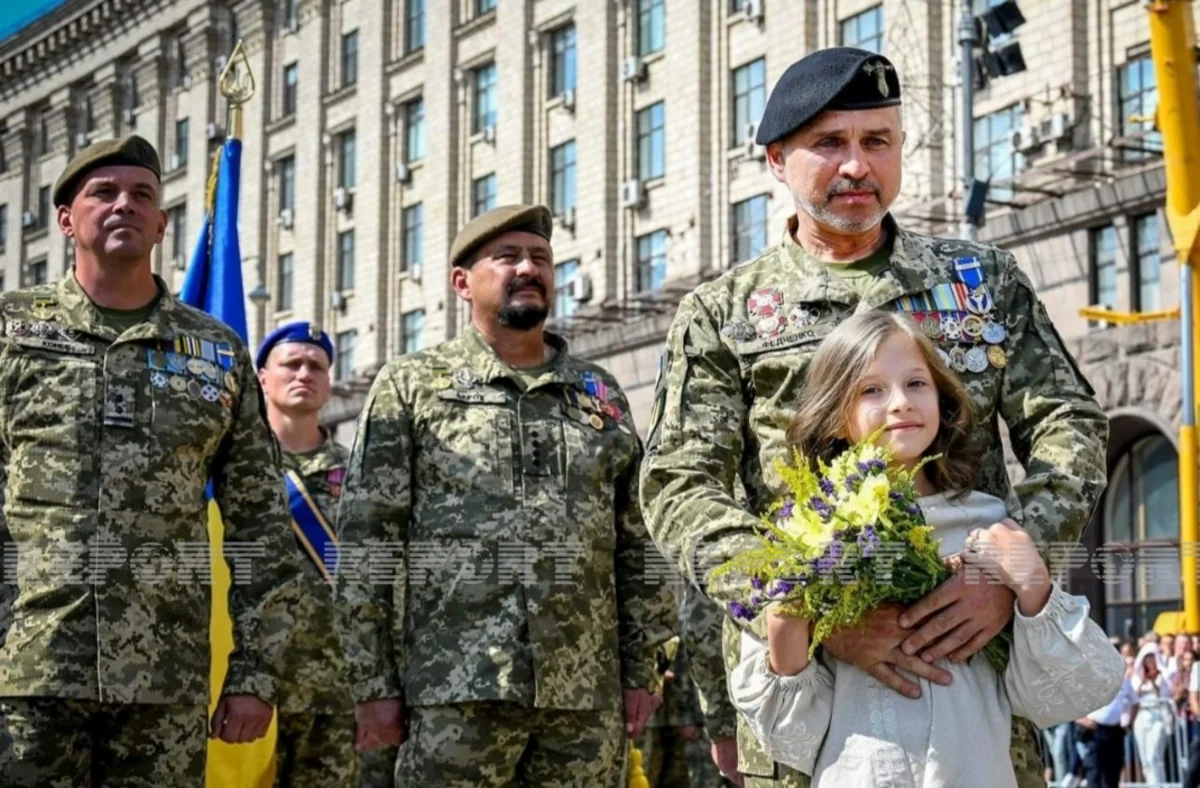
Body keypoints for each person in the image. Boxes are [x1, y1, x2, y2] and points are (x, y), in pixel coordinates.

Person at [639, 47, 1109, 788]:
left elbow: (1069, 424)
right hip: (811, 699)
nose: (857, 166)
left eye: (877, 142)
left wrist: (1014, 566)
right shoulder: (722, 315)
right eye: (830, 144)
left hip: (971, 691)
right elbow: (679, 486)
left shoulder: (982, 284)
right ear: (776, 160)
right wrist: (804, 605)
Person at [333, 204, 677, 787]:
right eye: (508, 257)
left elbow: (637, 539)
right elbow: (368, 541)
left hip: (584, 697)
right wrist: (372, 683)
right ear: (462, 282)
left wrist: (644, 665)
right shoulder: (412, 385)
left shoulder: (599, 392)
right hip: (456, 691)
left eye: (540, 258)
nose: (528, 268)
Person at [0, 135, 300, 786]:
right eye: (102, 192)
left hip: (164, 682)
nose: (123, 206)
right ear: (64, 218)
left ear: (162, 224)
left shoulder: (214, 352)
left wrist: (254, 673)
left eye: (141, 195)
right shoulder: (11, 331)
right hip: (26, 673)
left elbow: (261, 529)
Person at [726, 311, 1122, 786]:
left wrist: (1032, 585)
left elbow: (1079, 691)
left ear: (943, 399)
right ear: (834, 416)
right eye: (871, 389)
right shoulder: (808, 539)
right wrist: (790, 617)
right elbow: (789, 739)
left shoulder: (991, 527)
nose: (900, 403)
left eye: (916, 383)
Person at [256, 322, 397, 787]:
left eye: (316, 366)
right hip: (252, 685)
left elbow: (383, 582)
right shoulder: (236, 468)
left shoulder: (360, 474)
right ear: (261, 378)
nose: (304, 374)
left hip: (336, 692)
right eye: (291, 364)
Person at [1078, 651, 1138, 788]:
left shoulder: (1123, 680)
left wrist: (1129, 723)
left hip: (1115, 730)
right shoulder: (1087, 680)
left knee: (1113, 772)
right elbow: (1069, 704)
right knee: (1095, 773)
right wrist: (1082, 720)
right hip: (1094, 730)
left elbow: (1135, 703)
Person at [1129, 644, 1173, 786]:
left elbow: (1166, 694)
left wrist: (1154, 682)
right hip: (1141, 717)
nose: (1150, 663)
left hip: (1158, 716)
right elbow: (1133, 696)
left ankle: (1158, 784)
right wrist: (1143, 681)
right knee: (1145, 758)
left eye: (1152, 660)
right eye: (1147, 661)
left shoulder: (1163, 676)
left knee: (1154, 755)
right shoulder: (1137, 677)